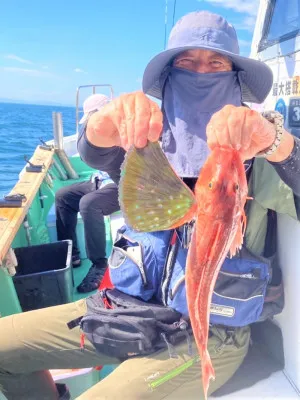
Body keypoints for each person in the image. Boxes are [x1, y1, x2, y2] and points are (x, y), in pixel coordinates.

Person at [1, 11, 300, 400]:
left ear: (235, 77)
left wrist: (277, 142)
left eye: (216, 63)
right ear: (170, 77)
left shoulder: (258, 150)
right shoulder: (147, 141)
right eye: (187, 62)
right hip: (128, 309)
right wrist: (97, 126)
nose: (201, 72)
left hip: (208, 331)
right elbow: (94, 152)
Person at [55, 93, 121, 293]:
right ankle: (71, 253)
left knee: (89, 203)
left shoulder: (121, 131)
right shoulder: (94, 137)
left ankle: (99, 264)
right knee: (63, 196)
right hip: (100, 180)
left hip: (122, 185)